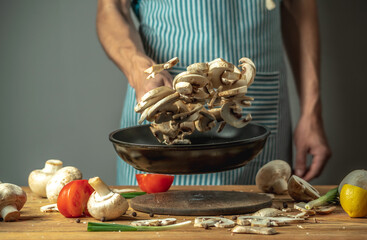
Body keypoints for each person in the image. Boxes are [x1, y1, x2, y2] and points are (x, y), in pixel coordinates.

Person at [96, 0, 331, 185]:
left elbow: (299, 4)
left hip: (256, 106)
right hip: (165, 103)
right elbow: (112, 7)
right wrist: (139, 71)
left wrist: (311, 110)